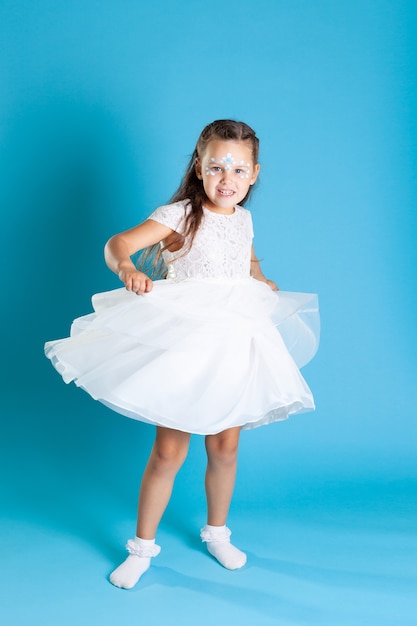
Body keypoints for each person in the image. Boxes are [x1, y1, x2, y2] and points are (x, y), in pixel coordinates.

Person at [45, 119, 319, 590]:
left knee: (225, 445)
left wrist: (260, 279)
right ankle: (142, 549)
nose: (226, 179)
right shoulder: (180, 214)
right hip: (189, 343)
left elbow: (247, 260)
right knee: (170, 451)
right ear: (199, 167)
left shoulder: (245, 219)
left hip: (235, 339)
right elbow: (119, 244)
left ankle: (217, 533)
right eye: (216, 167)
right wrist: (128, 268)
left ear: (254, 174)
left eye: (237, 169)